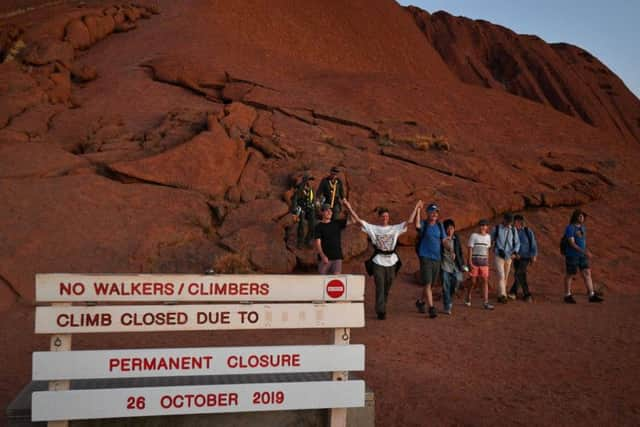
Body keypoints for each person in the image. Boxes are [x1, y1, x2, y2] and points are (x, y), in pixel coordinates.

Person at [343, 199, 421, 320]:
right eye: (383, 216)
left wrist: (416, 207)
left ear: (388, 218)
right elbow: (358, 220)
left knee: (387, 285)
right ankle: (381, 310)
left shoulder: (395, 228)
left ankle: (382, 304)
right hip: (378, 261)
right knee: (380, 285)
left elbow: (409, 222)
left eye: (387, 216)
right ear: (379, 218)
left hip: (392, 261)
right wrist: (348, 206)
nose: (385, 218)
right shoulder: (373, 228)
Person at [563, 209, 603, 303]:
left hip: (582, 255)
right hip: (572, 255)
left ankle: (591, 295)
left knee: (587, 273)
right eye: (580, 216)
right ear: (575, 217)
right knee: (570, 274)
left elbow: (582, 242)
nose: (582, 218)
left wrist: (586, 250)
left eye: (583, 216)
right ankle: (567, 295)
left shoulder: (583, 228)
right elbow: (572, 243)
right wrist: (584, 251)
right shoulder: (570, 228)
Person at [415, 202, 446, 319]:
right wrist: (418, 210)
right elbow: (417, 225)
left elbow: (443, 240)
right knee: (427, 283)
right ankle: (432, 308)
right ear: (427, 213)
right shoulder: (424, 224)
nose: (434, 214)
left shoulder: (440, 226)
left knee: (431, 284)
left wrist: (451, 250)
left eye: (436, 212)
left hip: (437, 258)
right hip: (425, 256)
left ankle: (420, 301)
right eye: (432, 212)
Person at [508, 214, 538, 302]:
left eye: (517, 221)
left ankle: (523, 293)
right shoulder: (512, 232)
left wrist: (534, 255)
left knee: (519, 273)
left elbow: (533, 243)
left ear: (521, 222)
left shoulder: (527, 231)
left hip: (526, 257)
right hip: (516, 257)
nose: (515, 223)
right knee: (521, 275)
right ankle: (521, 294)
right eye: (515, 221)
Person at [492, 212, 520, 304]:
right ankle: (503, 295)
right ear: (503, 219)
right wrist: (496, 248)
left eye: (510, 222)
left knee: (506, 277)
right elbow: (491, 240)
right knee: (501, 275)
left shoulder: (513, 230)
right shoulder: (496, 229)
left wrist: (515, 252)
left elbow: (517, 242)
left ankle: (501, 294)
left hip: (509, 256)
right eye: (508, 221)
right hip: (498, 255)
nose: (509, 223)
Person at [466, 219, 494, 310]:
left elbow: (487, 250)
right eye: (481, 225)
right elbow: (470, 249)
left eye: (484, 225)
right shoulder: (474, 236)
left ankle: (486, 302)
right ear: (479, 227)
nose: (483, 227)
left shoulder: (488, 237)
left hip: (484, 263)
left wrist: (487, 262)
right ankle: (468, 294)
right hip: (474, 262)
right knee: (473, 281)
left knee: (485, 281)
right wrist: (469, 262)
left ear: (487, 227)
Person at [441, 219, 467, 315]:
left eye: (451, 228)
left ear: (454, 229)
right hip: (445, 266)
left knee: (457, 282)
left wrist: (463, 264)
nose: (450, 230)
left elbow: (459, 251)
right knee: (445, 286)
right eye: (447, 228)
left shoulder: (456, 238)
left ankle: (449, 299)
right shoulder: (442, 239)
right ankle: (447, 306)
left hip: (456, 266)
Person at [314, 203, 348, 274]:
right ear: (322, 212)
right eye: (327, 210)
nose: (330, 212)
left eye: (331, 211)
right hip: (325, 258)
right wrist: (322, 256)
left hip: (337, 257)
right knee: (321, 281)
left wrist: (348, 207)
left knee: (336, 282)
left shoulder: (337, 223)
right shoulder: (319, 227)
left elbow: (352, 220)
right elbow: (318, 243)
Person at [290, 173, 317, 248]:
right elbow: (295, 200)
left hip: (310, 208)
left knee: (313, 224)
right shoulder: (299, 189)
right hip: (301, 209)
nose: (311, 182)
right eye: (309, 180)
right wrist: (295, 211)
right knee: (301, 224)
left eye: (312, 180)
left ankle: (308, 240)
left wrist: (315, 207)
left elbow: (313, 200)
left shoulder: (311, 190)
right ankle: (300, 242)